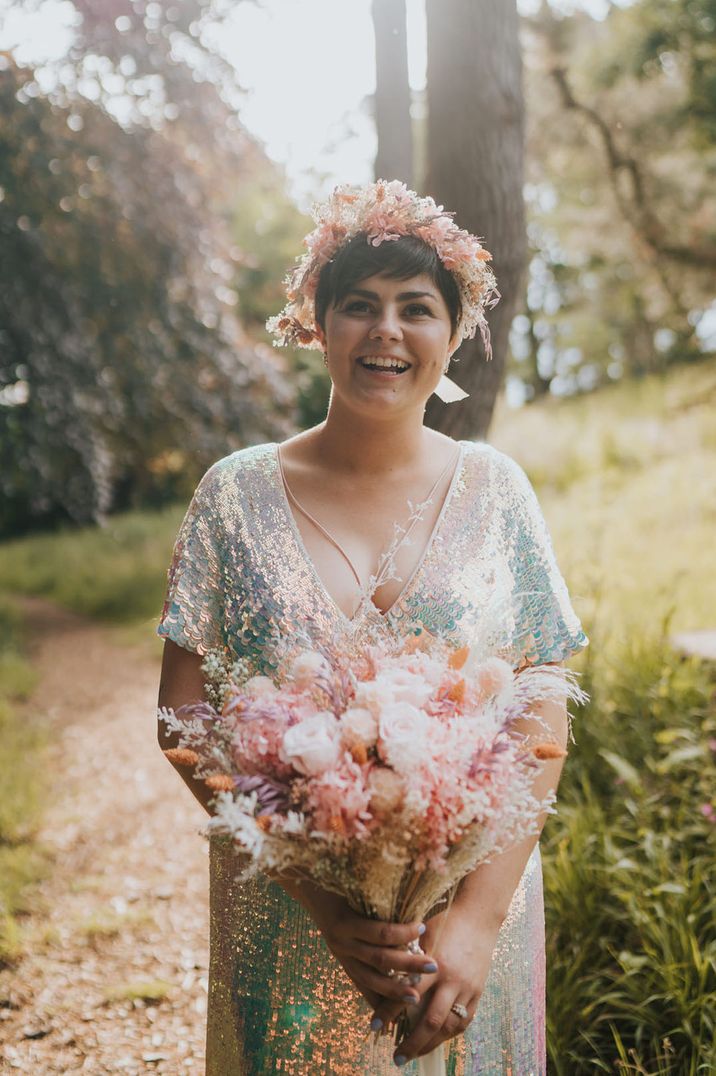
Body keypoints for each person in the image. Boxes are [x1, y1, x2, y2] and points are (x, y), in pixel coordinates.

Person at [156, 179, 588, 1074]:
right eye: (359, 305)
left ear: (454, 333)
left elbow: (544, 706)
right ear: (319, 324)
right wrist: (321, 900)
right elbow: (182, 719)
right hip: (289, 914)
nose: (386, 330)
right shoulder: (234, 496)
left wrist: (473, 923)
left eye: (416, 309)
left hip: (472, 916)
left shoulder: (498, 490)